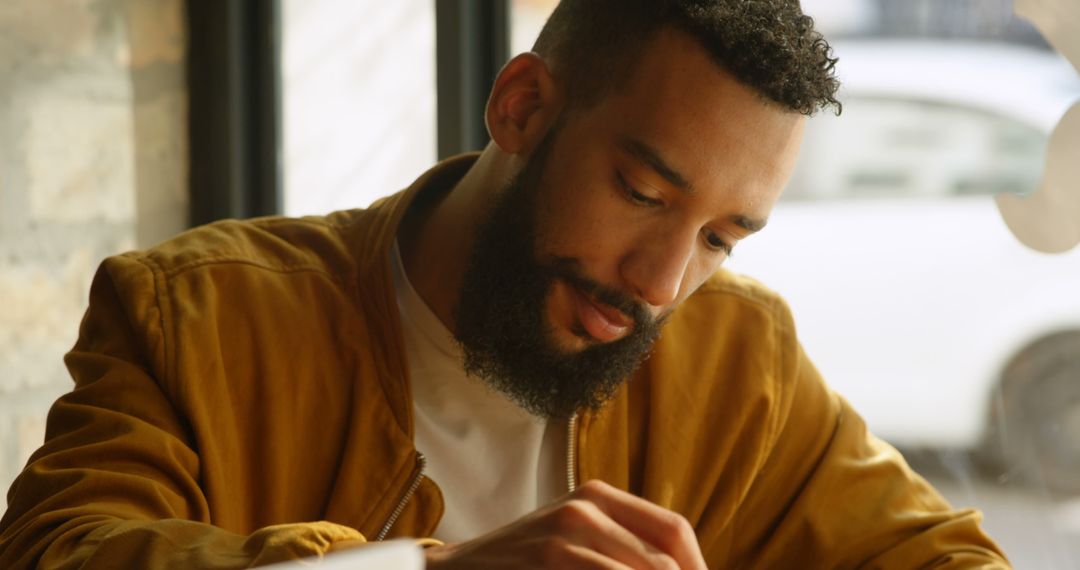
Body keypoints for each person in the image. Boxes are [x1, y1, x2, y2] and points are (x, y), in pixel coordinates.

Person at [0, 0, 1010, 568]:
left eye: (720, 238)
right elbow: (61, 556)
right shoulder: (198, 312)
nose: (662, 283)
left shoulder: (740, 356)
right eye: (640, 190)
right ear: (522, 107)